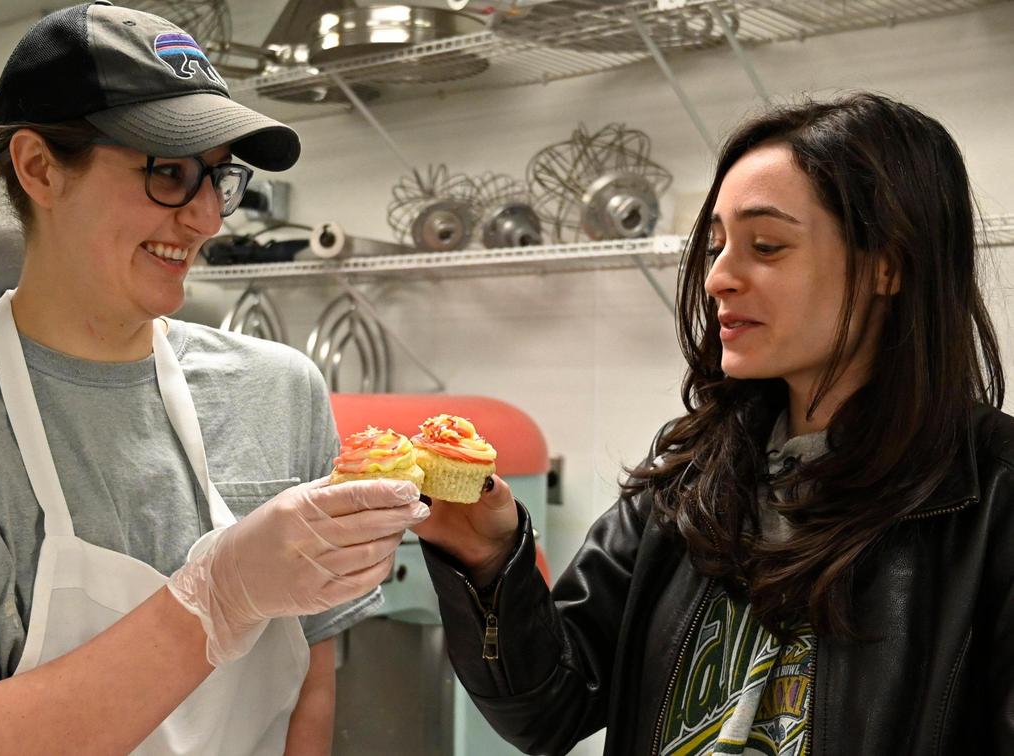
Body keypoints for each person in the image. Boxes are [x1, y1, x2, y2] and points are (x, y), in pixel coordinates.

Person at [0, 3, 429, 754]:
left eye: (219, 178)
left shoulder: (280, 393)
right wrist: (215, 598)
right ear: (39, 168)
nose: (207, 219)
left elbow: (311, 688)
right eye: (168, 172)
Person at [414, 92, 1013, 755]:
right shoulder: (693, 473)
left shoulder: (993, 497)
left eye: (767, 246)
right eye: (716, 246)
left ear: (888, 265)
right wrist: (490, 561)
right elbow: (550, 711)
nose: (717, 279)